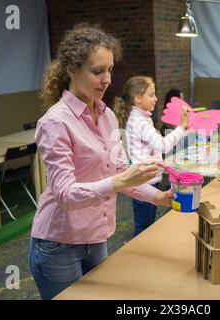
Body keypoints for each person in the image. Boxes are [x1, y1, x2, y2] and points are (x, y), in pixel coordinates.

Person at [29, 24, 172, 300]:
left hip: (96, 238)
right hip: (57, 246)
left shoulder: (106, 115)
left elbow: (119, 173)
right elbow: (65, 195)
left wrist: (160, 197)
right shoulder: (56, 122)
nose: (107, 79)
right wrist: (123, 180)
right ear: (71, 70)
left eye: (110, 70)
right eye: (97, 71)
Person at [113, 77, 189, 236]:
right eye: (151, 94)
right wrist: (181, 127)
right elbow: (163, 145)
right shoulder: (140, 122)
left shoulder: (141, 118)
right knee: (144, 229)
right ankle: (139, 257)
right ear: (138, 98)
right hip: (144, 184)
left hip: (146, 181)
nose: (156, 98)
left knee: (146, 225)